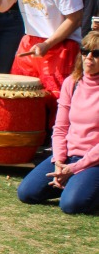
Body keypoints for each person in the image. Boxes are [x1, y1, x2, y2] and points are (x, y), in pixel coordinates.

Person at [17, 31, 99, 214]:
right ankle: (73, 182)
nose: (89, 58)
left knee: (71, 205)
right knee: (26, 193)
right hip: (69, 156)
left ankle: (80, 185)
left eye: (96, 54)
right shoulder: (72, 82)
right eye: (85, 52)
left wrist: (75, 168)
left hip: (94, 161)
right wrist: (59, 162)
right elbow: (60, 128)